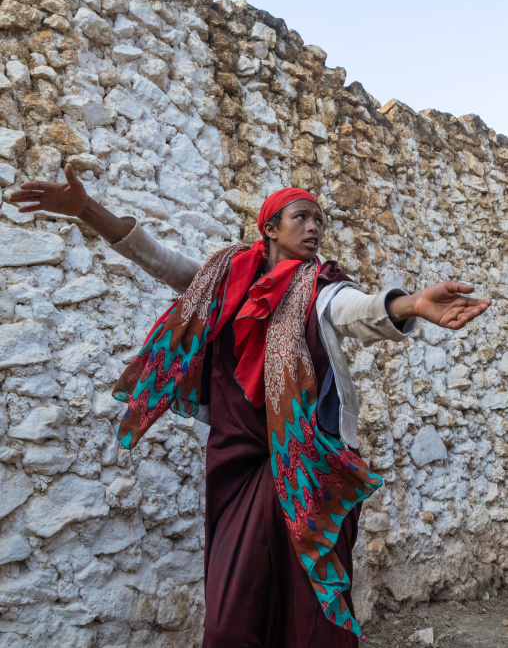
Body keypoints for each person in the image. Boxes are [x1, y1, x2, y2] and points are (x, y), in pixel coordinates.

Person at [8, 164, 492, 647]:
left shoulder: (320, 289)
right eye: (301, 217)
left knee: (310, 610)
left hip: (308, 461)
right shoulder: (223, 281)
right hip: (238, 461)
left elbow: (357, 310)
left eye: (319, 220)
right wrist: (87, 210)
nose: (314, 228)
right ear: (269, 228)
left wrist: (407, 305)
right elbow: (157, 258)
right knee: (230, 616)